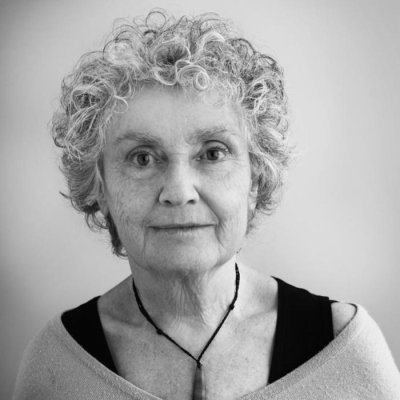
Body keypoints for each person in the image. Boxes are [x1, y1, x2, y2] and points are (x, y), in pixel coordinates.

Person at [13, 10, 400, 400]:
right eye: (142, 158)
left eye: (213, 153)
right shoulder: (57, 366)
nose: (179, 191)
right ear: (99, 186)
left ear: (256, 179)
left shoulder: (344, 350)